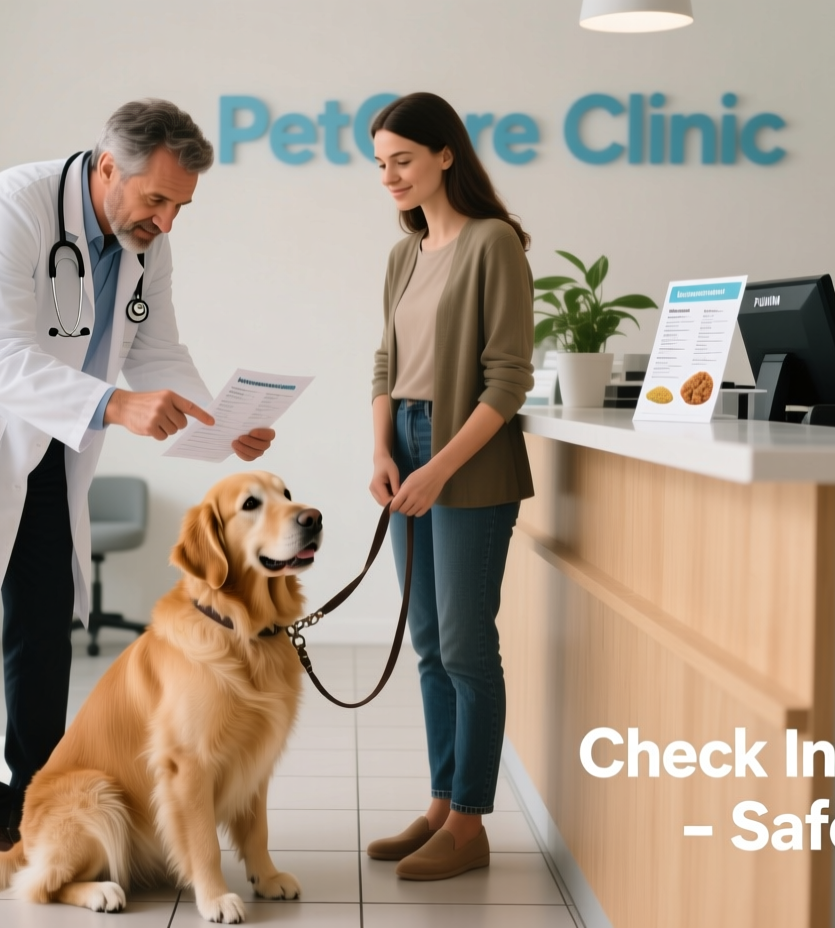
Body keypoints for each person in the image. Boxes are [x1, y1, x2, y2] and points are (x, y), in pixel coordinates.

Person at [0, 99, 273, 853]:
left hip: (53, 437)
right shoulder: (9, 208)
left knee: (45, 622)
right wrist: (115, 406)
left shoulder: (147, 240)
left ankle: (38, 796)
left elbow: (157, 350)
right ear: (109, 167)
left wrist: (218, 422)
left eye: (180, 207)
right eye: (157, 200)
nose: (167, 222)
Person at [362, 92, 535, 881]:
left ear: (445, 155)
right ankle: (440, 805)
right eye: (381, 164)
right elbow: (385, 364)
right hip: (405, 443)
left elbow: (508, 380)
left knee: (466, 644)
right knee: (428, 641)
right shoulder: (404, 254)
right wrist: (383, 450)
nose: (390, 177)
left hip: (465, 454)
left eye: (403, 160)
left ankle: (470, 822)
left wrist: (439, 466)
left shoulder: (493, 243)